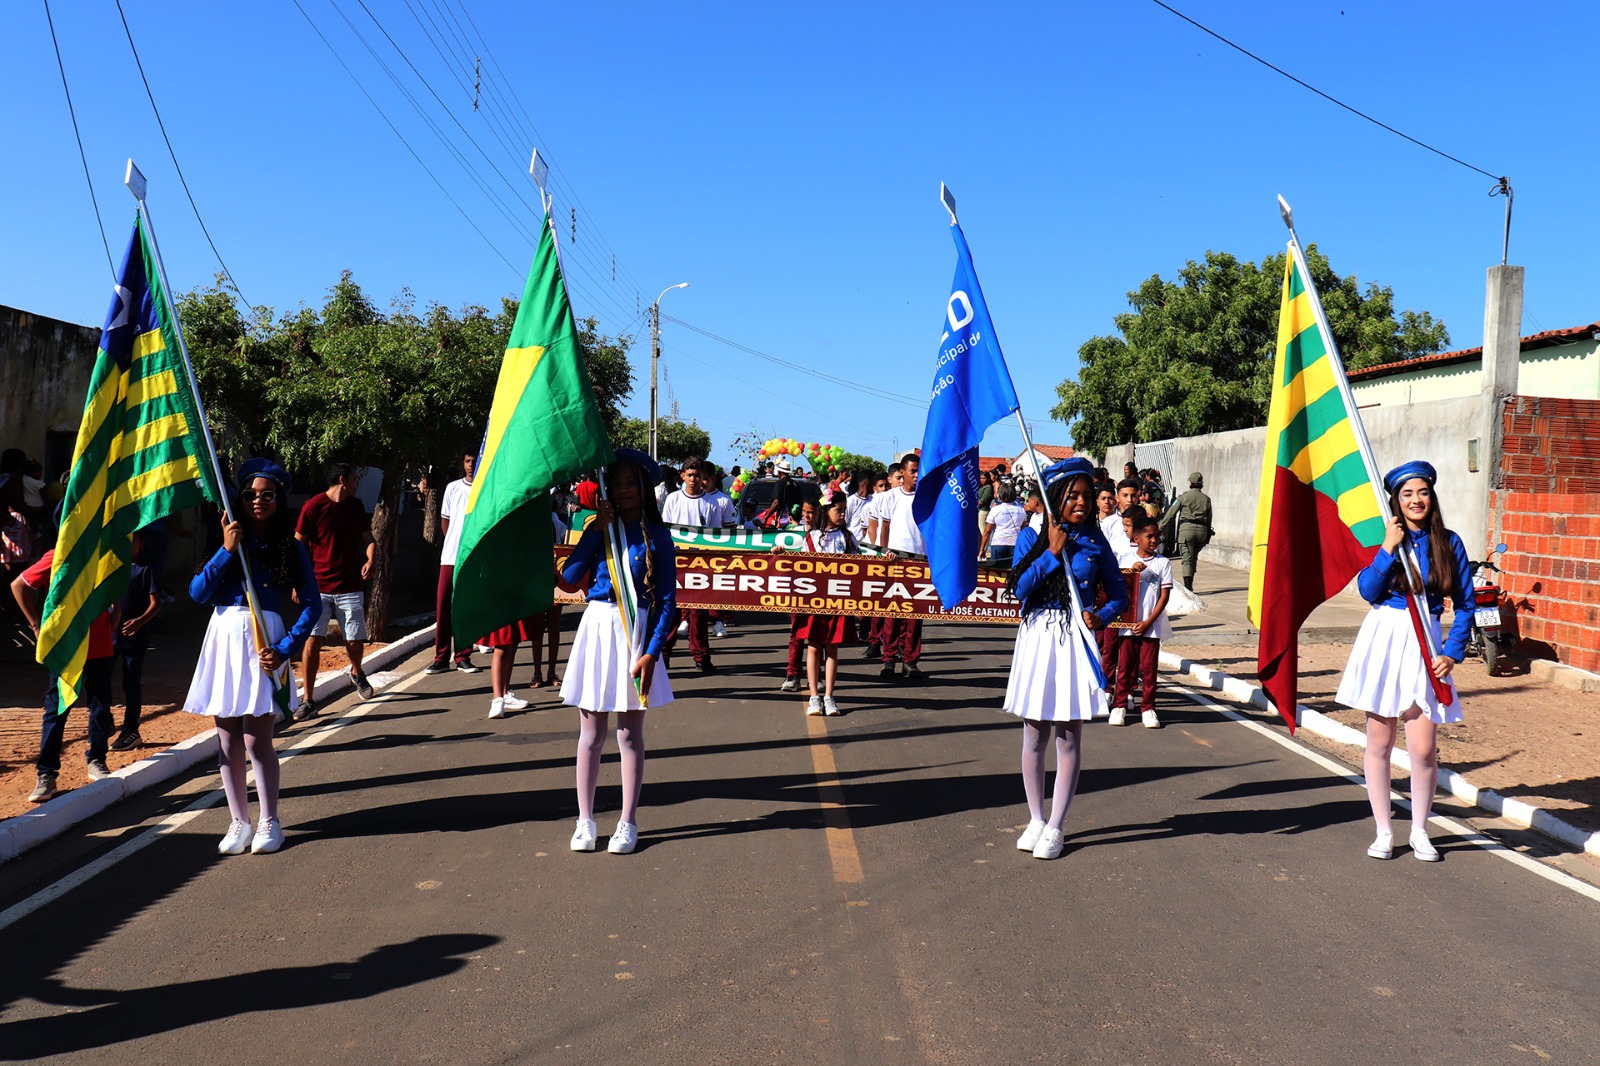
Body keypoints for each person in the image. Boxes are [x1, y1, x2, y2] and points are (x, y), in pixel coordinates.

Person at [1334, 461, 1471, 863]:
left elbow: (1465, 605)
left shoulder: (1450, 542)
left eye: (1422, 492)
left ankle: (1421, 830)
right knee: (1379, 742)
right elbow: (1368, 590)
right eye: (1407, 494)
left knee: (1424, 748)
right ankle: (1383, 830)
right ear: (1396, 500)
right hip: (1386, 639)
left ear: (1432, 497)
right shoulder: (1385, 538)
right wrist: (1388, 548)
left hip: (1426, 641)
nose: (1416, 500)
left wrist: (1452, 651)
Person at [185, 458, 321, 855]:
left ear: (279, 498)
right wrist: (227, 550)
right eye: (250, 494)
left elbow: (312, 605)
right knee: (226, 741)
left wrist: (284, 650)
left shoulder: (290, 548)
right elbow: (197, 593)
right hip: (224, 638)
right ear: (239, 498)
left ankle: (270, 821)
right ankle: (238, 822)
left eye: (267, 495)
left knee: (256, 739)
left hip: (264, 642)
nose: (258, 501)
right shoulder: (227, 541)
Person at [1003, 457, 1127, 860]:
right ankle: (1035, 819)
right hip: (1038, 635)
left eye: (1087, 496)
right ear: (1056, 496)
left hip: (1074, 636)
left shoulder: (1096, 541)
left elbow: (1120, 594)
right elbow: (1019, 587)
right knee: (1033, 733)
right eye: (1073, 495)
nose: (1081, 503)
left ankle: (1057, 826)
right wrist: (1051, 553)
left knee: (1068, 735)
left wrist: (1101, 615)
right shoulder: (1031, 534)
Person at [560, 449, 676, 856]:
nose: (625, 491)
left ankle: (627, 822)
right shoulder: (599, 527)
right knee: (590, 734)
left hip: (636, 631)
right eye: (618, 484)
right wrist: (596, 531)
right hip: (598, 624)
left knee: (629, 734)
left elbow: (666, 601)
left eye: (632, 483)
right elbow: (570, 579)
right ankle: (585, 820)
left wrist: (650, 652)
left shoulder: (658, 536)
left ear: (644, 489)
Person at [14, 546, 119, 802]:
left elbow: (116, 589)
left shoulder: (105, 550)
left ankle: (96, 759)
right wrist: (36, 626)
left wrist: (112, 622)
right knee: (57, 709)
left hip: (99, 645)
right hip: (66, 648)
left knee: (100, 705)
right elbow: (19, 585)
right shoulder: (57, 555)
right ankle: (47, 774)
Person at [295, 462, 377, 715]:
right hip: (317, 586)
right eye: (354, 479)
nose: (357, 484)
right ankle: (308, 700)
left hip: (350, 584)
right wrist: (299, 582)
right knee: (312, 640)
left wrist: (371, 558)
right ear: (343, 480)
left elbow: (368, 539)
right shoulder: (313, 507)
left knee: (353, 639)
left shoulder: (355, 506)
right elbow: (297, 546)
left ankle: (357, 671)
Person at [792, 492, 859, 715]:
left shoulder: (848, 538)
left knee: (832, 648)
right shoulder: (811, 537)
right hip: (815, 602)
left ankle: (829, 696)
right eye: (838, 509)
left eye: (844, 510)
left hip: (839, 602)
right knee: (813, 646)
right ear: (826, 510)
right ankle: (813, 696)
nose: (842, 514)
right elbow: (800, 566)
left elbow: (863, 565)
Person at [660, 457, 728, 673]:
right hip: (675, 563)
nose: (693, 479)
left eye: (697, 475)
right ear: (683, 476)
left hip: (701, 565)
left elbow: (717, 536)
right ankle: (663, 655)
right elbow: (666, 531)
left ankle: (701, 657)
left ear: (703, 478)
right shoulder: (673, 499)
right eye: (689, 475)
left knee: (699, 613)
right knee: (671, 611)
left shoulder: (712, 503)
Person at [1110, 512, 1172, 728]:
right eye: (1149, 537)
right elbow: (1117, 590)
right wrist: (1130, 572)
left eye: (1157, 537)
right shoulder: (1125, 560)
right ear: (1136, 538)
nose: (1154, 540)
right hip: (1127, 625)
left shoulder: (1163, 563)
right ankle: (1119, 705)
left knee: (1149, 668)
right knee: (1126, 667)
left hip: (1150, 625)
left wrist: (1148, 621)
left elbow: (1164, 595)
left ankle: (1149, 708)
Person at [427, 450, 480, 674]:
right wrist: (454, 545)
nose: (471, 465)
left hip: (473, 558)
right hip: (450, 557)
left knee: (465, 608)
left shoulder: (484, 489)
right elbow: (445, 522)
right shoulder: (452, 488)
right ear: (462, 463)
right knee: (443, 606)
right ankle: (441, 657)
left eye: (474, 461)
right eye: (468, 461)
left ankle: (463, 656)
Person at [110, 528, 161, 751]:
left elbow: (156, 603)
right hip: (109, 636)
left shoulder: (143, 571)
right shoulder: (109, 571)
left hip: (135, 638)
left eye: (133, 540)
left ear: (140, 545)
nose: (127, 544)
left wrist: (140, 621)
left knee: (131, 684)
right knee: (99, 681)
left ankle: (131, 730)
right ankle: (103, 723)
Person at [878, 455, 926, 680]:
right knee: (892, 613)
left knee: (915, 615)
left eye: (919, 471)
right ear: (903, 473)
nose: (917, 475)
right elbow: (884, 526)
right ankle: (888, 660)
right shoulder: (891, 497)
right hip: (895, 561)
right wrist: (885, 551)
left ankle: (910, 661)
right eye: (913, 471)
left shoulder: (928, 496)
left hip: (919, 561)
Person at [1165, 472, 1213, 591]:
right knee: (1193, 557)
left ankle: (1188, 588)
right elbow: (1209, 518)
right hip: (1201, 531)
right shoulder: (1206, 499)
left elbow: (1171, 513)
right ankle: (1190, 580)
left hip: (1186, 531)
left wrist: (1160, 527)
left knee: (1187, 559)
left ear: (1190, 483)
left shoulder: (1183, 497)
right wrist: (1207, 534)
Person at [979, 482, 1027, 565]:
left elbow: (987, 531)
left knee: (998, 570)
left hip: (998, 543)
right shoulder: (1021, 510)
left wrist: (982, 549)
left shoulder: (995, 510)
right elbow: (1023, 529)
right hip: (1016, 544)